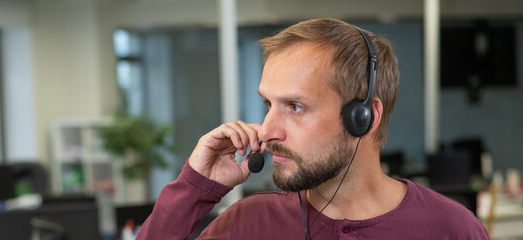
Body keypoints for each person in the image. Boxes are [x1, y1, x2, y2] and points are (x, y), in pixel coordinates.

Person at [136, 18, 488, 239]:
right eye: (267, 105)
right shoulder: (246, 224)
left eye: (295, 107)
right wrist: (195, 185)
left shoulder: (453, 229)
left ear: (363, 117)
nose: (268, 130)